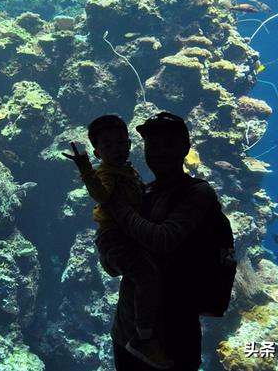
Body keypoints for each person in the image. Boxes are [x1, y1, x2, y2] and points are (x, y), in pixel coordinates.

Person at [101, 111, 223, 371]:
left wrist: (115, 207)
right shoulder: (144, 192)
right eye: (152, 145)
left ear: (185, 148)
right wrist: (111, 251)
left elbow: (163, 240)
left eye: (169, 144)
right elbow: (112, 267)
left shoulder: (198, 193)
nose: (159, 152)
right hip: (126, 331)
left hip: (172, 334)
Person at [62, 114, 173, 370]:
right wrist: (85, 169)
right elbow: (102, 196)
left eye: (121, 142)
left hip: (126, 236)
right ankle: (144, 338)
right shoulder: (106, 172)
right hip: (115, 238)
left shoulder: (126, 169)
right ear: (97, 151)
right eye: (108, 145)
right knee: (147, 277)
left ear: (129, 143)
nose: (117, 149)